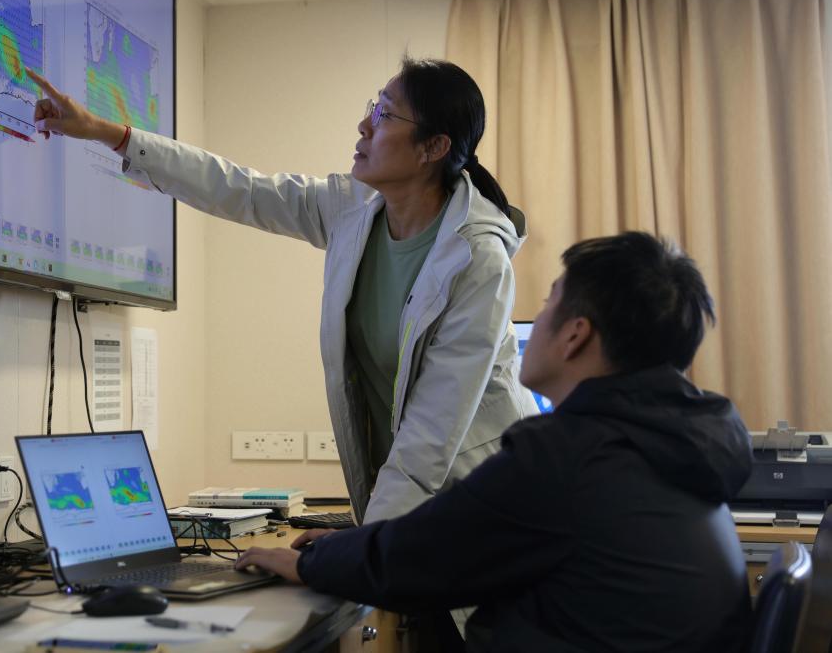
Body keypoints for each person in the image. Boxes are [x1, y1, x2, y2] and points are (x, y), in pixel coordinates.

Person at [27, 60, 537, 527]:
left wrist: (362, 549)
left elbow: (431, 435)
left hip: (486, 507)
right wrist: (107, 133)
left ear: (433, 147)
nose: (364, 124)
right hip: (408, 514)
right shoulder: (354, 210)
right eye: (372, 106)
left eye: (385, 114)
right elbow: (241, 189)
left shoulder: (477, 260)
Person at [236, 231, 754, 653]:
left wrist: (306, 562)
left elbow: (419, 557)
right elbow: (442, 539)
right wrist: (352, 545)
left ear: (575, 334)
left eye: (549, 301)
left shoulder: (571, 455)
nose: (535, 317)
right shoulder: (670, 445)